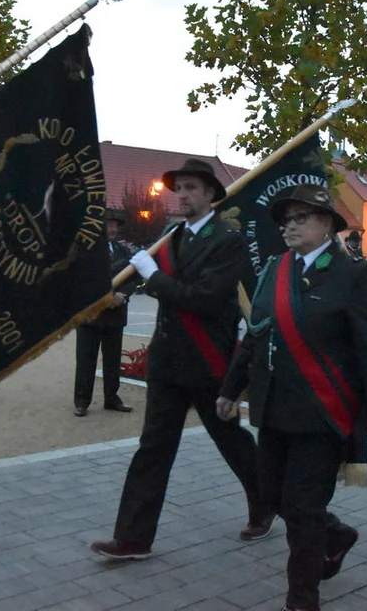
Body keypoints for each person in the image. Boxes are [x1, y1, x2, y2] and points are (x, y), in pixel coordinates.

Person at [217, 184, 367, 611]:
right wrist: (230, 388)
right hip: (274, 408)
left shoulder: (353, 275)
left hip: (322, 413)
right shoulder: (274, 271)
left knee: (301, 508)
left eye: (301, 218)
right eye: (287, 219)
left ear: (328, 225)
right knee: (272, 494)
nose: (290, 225)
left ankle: (302, 598)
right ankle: (335, 535)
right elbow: (256, 335)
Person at [91, 159, 270, 560]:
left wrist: (153, 277)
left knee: (232, 441)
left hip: (207, 361)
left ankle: (266, 502)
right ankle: (133, 538)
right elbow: (133, 271)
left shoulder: (229, 240)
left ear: (210, 194)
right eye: (180, 188)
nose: (183, 195)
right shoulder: (170, 236)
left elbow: (201, 298)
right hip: (169, 361)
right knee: (152, 447)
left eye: (191, 188)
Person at [74, 208, 136, 416]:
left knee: (112, 362)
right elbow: (79, 282)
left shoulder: (124, 252)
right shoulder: (85, 251)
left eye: (115, 226)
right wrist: (104, 298)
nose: (112, 229)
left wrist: (122, 296)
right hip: (89, 317)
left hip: (115, 316)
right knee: (85, 361)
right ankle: (81, 401)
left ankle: (112, 398)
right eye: (108, 224)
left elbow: (134, 280)